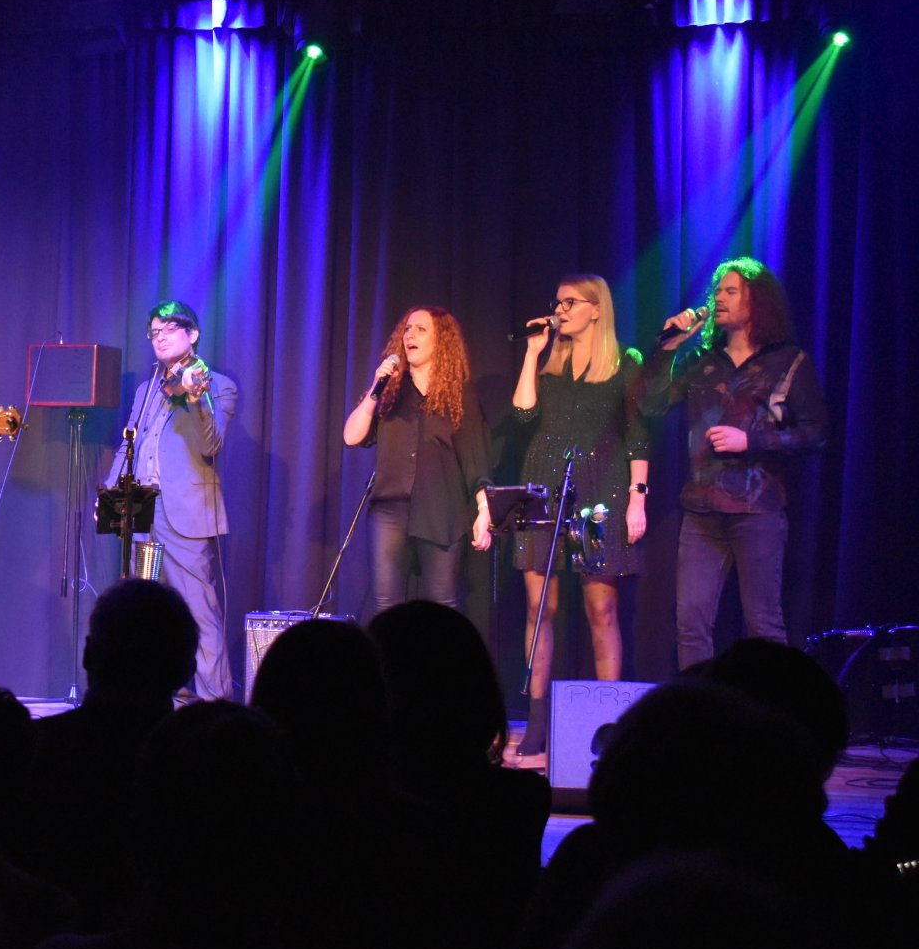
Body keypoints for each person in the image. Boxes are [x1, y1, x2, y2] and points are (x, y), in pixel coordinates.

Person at [643, 257, 827, 671]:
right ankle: (698, 705)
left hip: (757, 511)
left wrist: (752, 440)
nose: (718, 299)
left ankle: (771, 707)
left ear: (756, 300)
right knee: (690, 625)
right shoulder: (702, 360)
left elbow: (816, 433)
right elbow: (652, 405)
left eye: (730, 291)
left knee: (763, 625)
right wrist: (668, 349)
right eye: (716, 291)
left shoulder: (788, 361)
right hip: (701, 512)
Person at [498, 274, 650, 769]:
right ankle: (537, 722)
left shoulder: (624, 364)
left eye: (570, 302)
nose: (560, 310)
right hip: (545, 487)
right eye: (557, 302)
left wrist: (637, 498)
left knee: (600, 608)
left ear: (596, 309)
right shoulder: (550, 363)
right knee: (539, 605)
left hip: (602, 491)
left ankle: (609, 723)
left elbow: (637, 434)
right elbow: (523, 416)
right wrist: (532, 353)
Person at [105, 299, 238, 700]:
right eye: (154, 333)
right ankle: (154, 699)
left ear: (192, 334)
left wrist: (197, 400)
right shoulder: (147, 389)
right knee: (145, 610)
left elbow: (211, 444)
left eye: (168, 330)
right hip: (142, 510)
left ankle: (215, 703)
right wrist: (111, 492)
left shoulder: (218, 385)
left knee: (198, 610)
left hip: (185, 513)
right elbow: (129, 442)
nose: (159, 338)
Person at [342, 305, 492, 615]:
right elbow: (351, 436)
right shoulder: (390, 391)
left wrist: (483, 510)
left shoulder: (459, 394)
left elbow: (475, 458)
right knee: (386, 606)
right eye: (407, 329)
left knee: (441, 606)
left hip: (441, 511)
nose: (410, 335)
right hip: (390, 510)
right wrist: (375, 390)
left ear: (441, 341)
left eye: (421, 329)